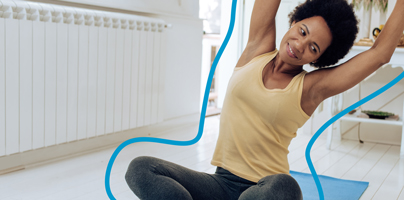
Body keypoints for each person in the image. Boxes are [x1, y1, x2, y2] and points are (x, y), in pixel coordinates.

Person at [125, 0, 404, 199]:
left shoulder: (310, 88)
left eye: (313, 48)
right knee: (141, 168)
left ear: (319, 59)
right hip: (220, 183)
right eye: (302, 31)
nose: (298, 45)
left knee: (286, 187)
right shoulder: (257, 48)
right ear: (295, 21)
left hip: (265, 190)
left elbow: (379, 54)